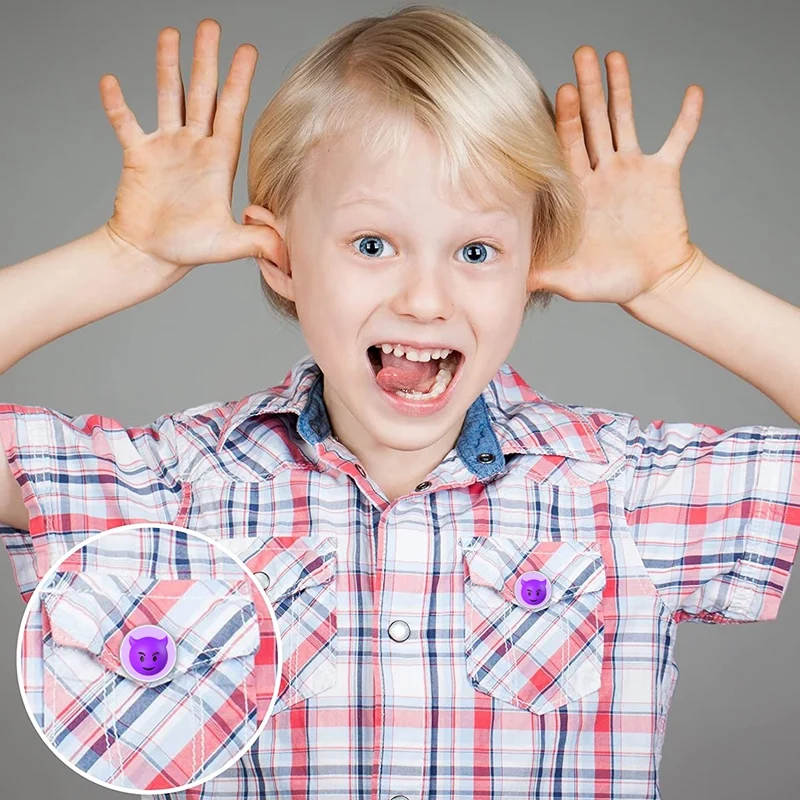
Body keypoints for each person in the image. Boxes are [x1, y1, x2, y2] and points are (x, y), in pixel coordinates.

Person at [1, 6, 798, 800]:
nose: (425, 297)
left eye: (477, 251)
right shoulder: (170, 493)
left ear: (534, 266)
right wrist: (121, 256)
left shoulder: (618, 490)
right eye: (372, 244)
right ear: (280, 258)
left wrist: (678, 283)